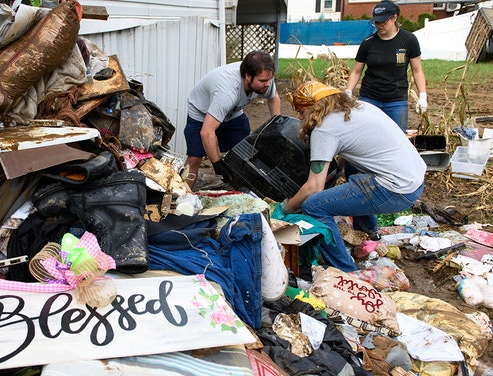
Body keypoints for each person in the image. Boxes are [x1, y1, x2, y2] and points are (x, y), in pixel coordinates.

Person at [280, 80, 426, 272]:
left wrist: (285, 208)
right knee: (352, 169)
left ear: (315, 108)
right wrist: (338, 169)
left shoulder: (324, 129)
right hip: (415, 177)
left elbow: (314, 187)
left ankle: (345, 270)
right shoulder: (358, 107)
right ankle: (368, 234)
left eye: (301, 111)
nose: (299, 117)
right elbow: (354, 149)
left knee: (313, 206)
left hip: (396, 189)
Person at [183, 50, 281, 190]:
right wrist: (216, 163)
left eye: (269, 80)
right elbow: (207, 132)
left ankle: (240, 190)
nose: (268, 84)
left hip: (232, 112)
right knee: (194, 159)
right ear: (248, 76)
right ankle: (182, 197)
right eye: (263, 81)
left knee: (244, 152)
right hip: (201, 112)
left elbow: (273, 97)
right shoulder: (227, 93)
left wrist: (277, 125)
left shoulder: (264, 78)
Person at [345, 0, 427, 133]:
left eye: (383, 21)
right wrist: (348, 91)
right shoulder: (368, 43)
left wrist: (423, 96)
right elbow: (356, 71)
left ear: (394, 18)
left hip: (396, 101)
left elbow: (417, 70)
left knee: (397, 136)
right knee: (366, 135)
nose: (379, 25)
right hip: (369, 98)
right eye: (376, 22)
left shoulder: (408, 40)